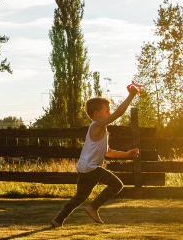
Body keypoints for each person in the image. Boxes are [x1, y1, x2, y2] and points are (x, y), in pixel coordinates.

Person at [51, 84, 141, 227]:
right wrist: (131, 95)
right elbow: (118, 114)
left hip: (84, 168)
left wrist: (127, 154)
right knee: (117, 184)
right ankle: (93, 208)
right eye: (107, 111)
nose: (109, 113)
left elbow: (107, 152)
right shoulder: (97, 125)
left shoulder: (99, 129)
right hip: (91, 168)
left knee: (79, 197)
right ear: (97, 114)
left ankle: (57, 220)